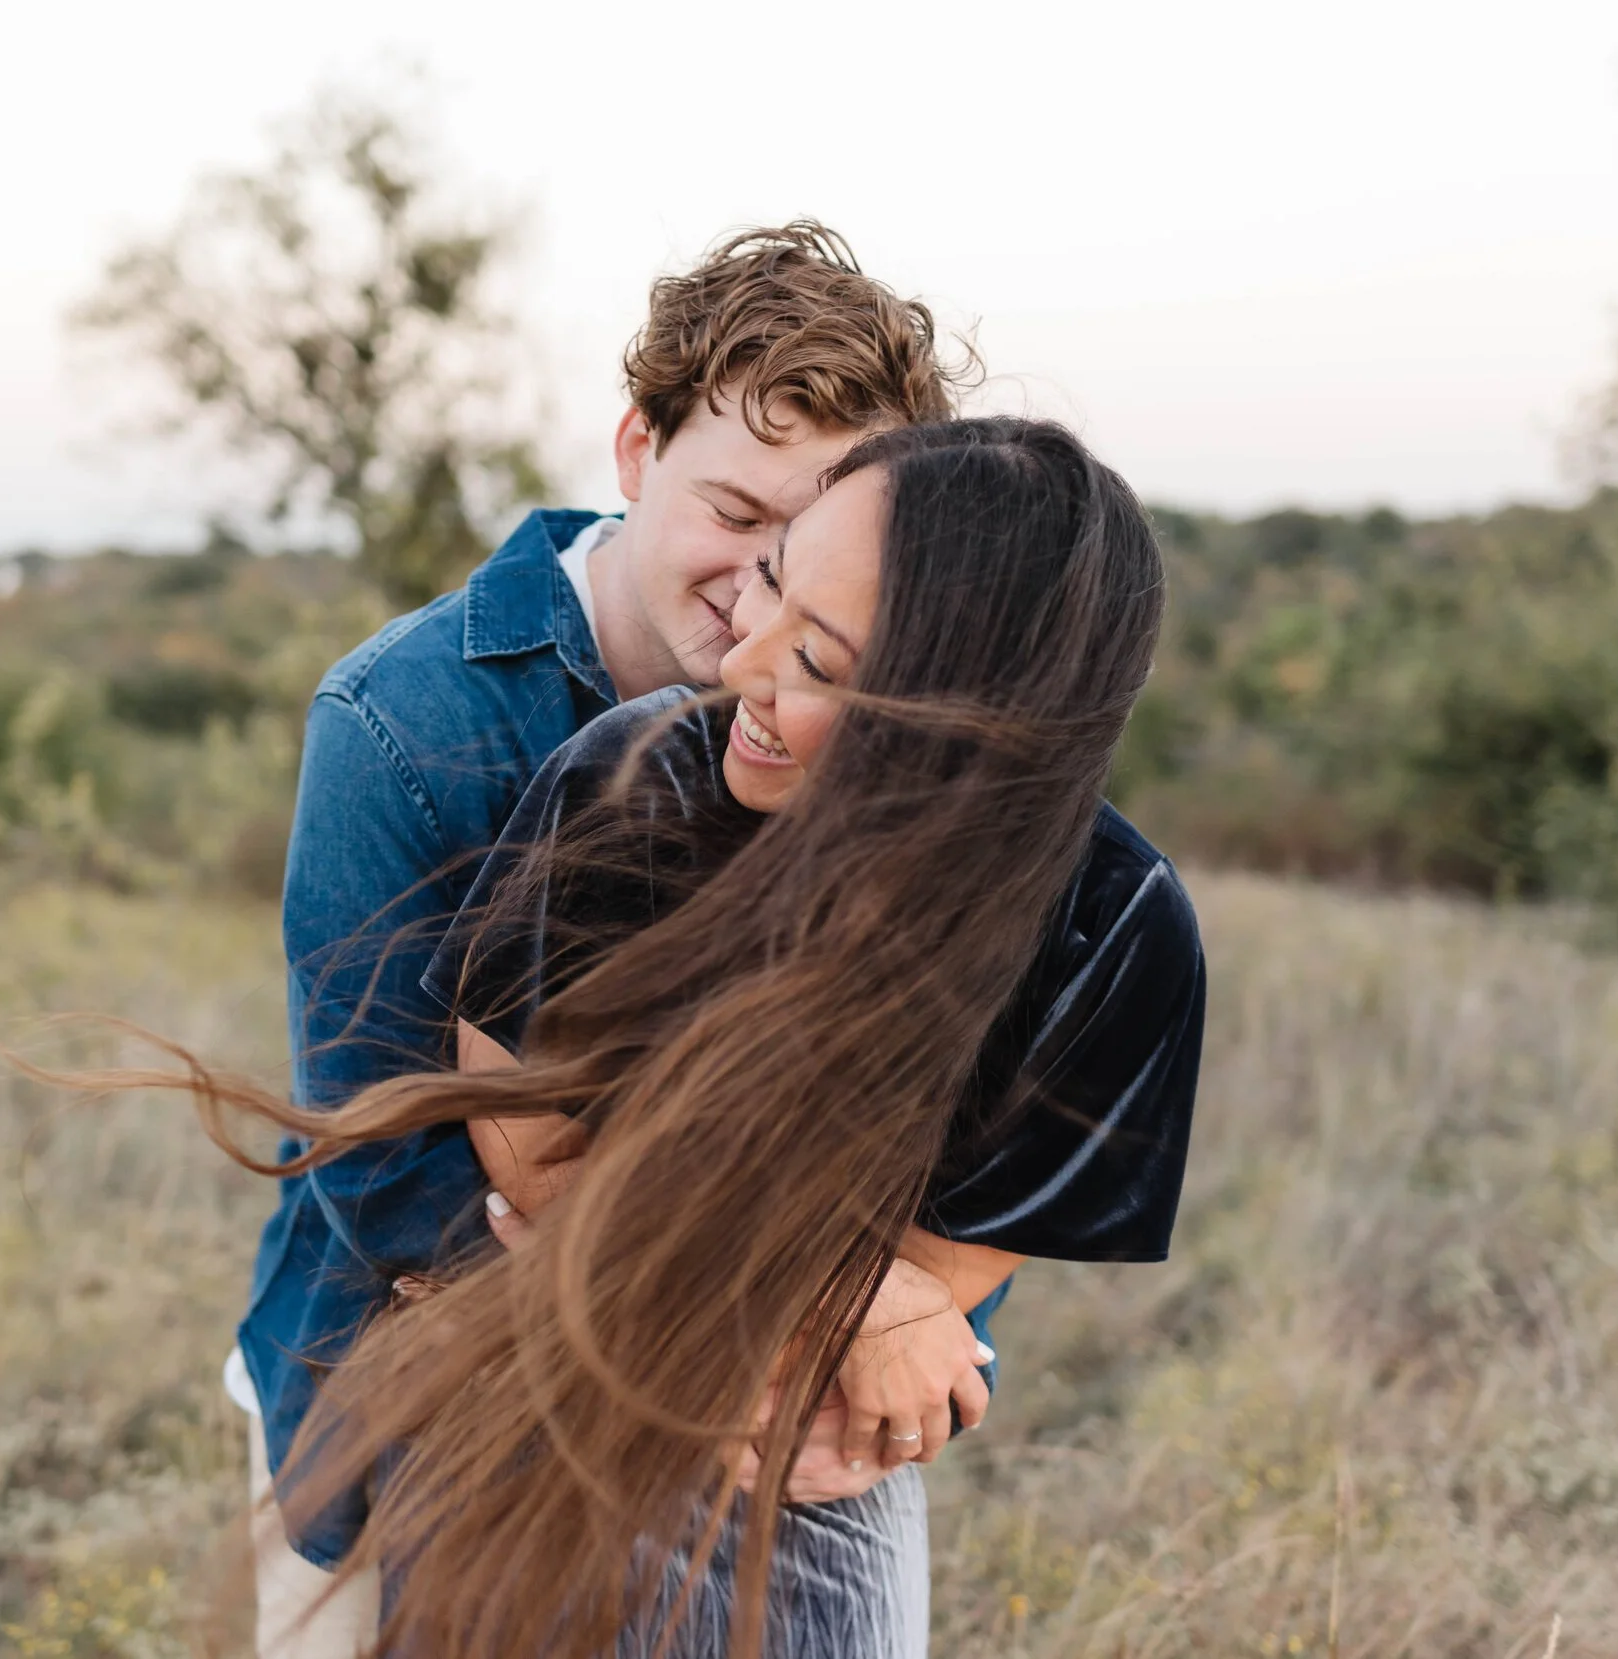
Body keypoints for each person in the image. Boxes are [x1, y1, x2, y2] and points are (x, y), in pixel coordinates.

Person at [169, 416, 1203, 1656]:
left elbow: (941, 1274)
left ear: (962, 728)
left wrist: (857, 1310)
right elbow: (518, 1146)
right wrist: (843, 1287)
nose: (738, 661)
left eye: (818, 657)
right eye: (769, 577)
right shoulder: (627, 772)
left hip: (801, 1455)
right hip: (515, 1371)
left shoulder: (1111, 930)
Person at [224, 221, 968, 1655]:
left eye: (820, 537)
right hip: (406, 1377)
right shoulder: (407, 720)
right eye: (737, 510)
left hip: (755, 1409)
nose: (767, 582)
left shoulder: (877, 733)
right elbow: (395, 1174)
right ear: (636, 450)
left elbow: (937, 1110)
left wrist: (896, 1324)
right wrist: (802, 1295)